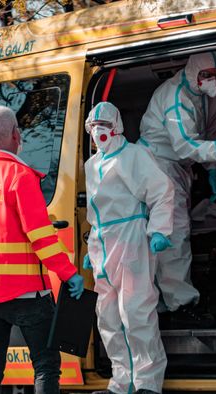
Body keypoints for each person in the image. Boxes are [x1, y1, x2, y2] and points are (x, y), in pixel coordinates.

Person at [0, 105, 85, 394]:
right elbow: (42, 237)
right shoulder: (20, 176)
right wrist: (69, 274)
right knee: (45, 364)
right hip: (27, 294)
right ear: (15, 134)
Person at [139, 52, 216, 327]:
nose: (211, 79)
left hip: (179, 168)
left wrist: (211, 171)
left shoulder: (209, 94)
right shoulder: (175, 96)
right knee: (175, 232)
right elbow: (184, 143)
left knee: (173, 234)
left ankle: (162, 303)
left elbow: (210, 129)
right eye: (206, 74)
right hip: (158, 166)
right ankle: (181, 305)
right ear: (193, 70)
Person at [83, 102, 175, 394]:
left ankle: (148, 383)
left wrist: (159, 229)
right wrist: (92, 246)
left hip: (131, 236)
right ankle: (121, 383)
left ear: (116, 127)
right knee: (108, 317)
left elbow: (162, 191)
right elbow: (95, 211)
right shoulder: (92, 164)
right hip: (103, 244)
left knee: (136, 311)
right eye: (94, 127)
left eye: (104, 126)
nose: (99, 132)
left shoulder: (134, 155)